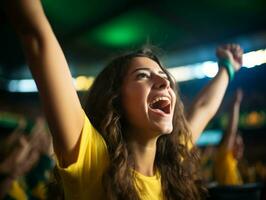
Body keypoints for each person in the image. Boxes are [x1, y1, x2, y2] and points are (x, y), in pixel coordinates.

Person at [3, 0, 243, 199]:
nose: (165, 83)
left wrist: (227, 68)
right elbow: (36, 38)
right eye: (142, 76)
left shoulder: (172, 160)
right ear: (114, 99)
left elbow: (203, 108)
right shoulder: (92, 162)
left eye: (164, 77)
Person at [214, 89, 244, 185]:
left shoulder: (234, 164)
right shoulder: (225, 158)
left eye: (241, 144)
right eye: (235, 144)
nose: (240, 147)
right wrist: (236, 104)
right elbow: (231, 132)